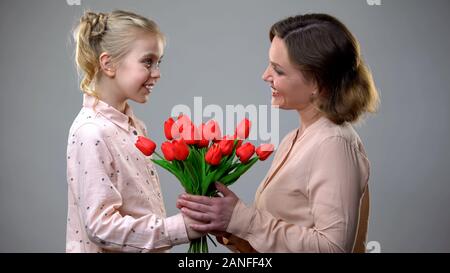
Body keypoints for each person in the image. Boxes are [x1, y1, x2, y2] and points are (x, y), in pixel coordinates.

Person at [177, 13, 379, 253]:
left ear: (317, 83)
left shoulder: (333, 143)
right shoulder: (295, 139)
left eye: (279, 70)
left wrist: (243, 219)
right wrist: (230, 227)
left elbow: (332, 247)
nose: (265, 76)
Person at [66, 10, 201, 253]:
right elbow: (101, 228)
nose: (157, 72)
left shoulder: (135, 126)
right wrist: (179, 229)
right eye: (148, 61)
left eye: (159, 62)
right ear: (108, 64)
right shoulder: (92, 131)